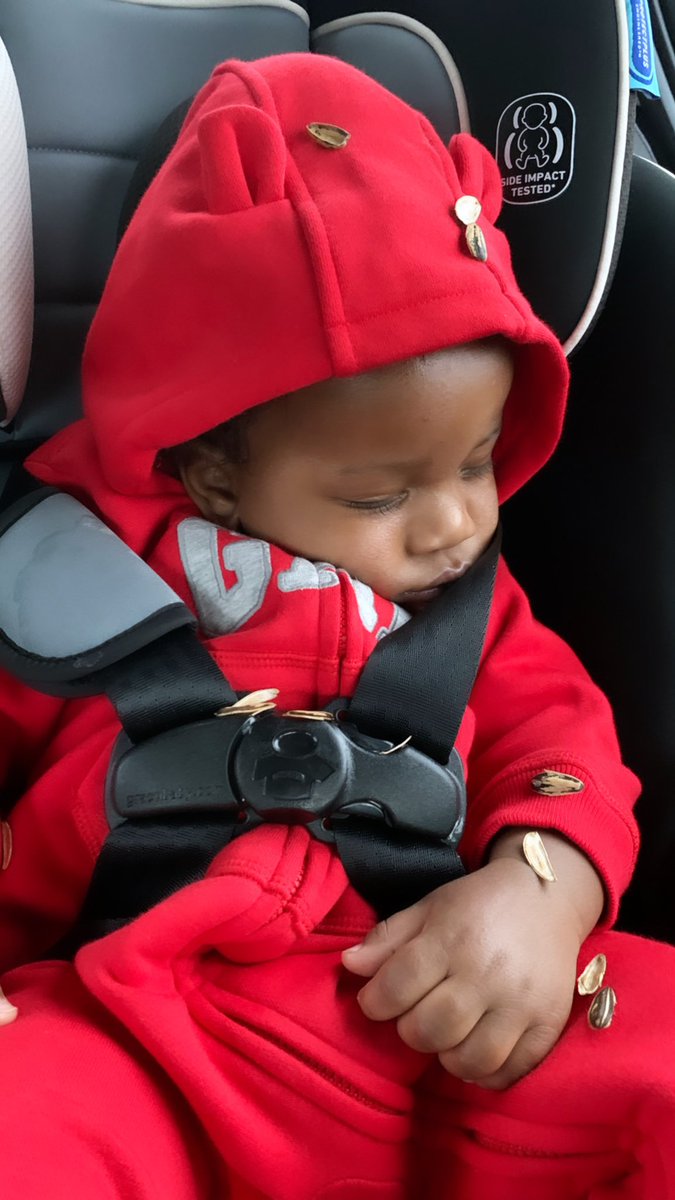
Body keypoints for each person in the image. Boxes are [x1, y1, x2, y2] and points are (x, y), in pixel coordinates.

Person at [0, 52, 674, 1199]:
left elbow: (561, 740)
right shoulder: (57, 581)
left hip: (442, 1010)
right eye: (381, 496)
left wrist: (542, 890)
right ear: (212, 473)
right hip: (140, 1025)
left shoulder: (474, 616)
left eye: (479, 459)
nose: (456, 521)